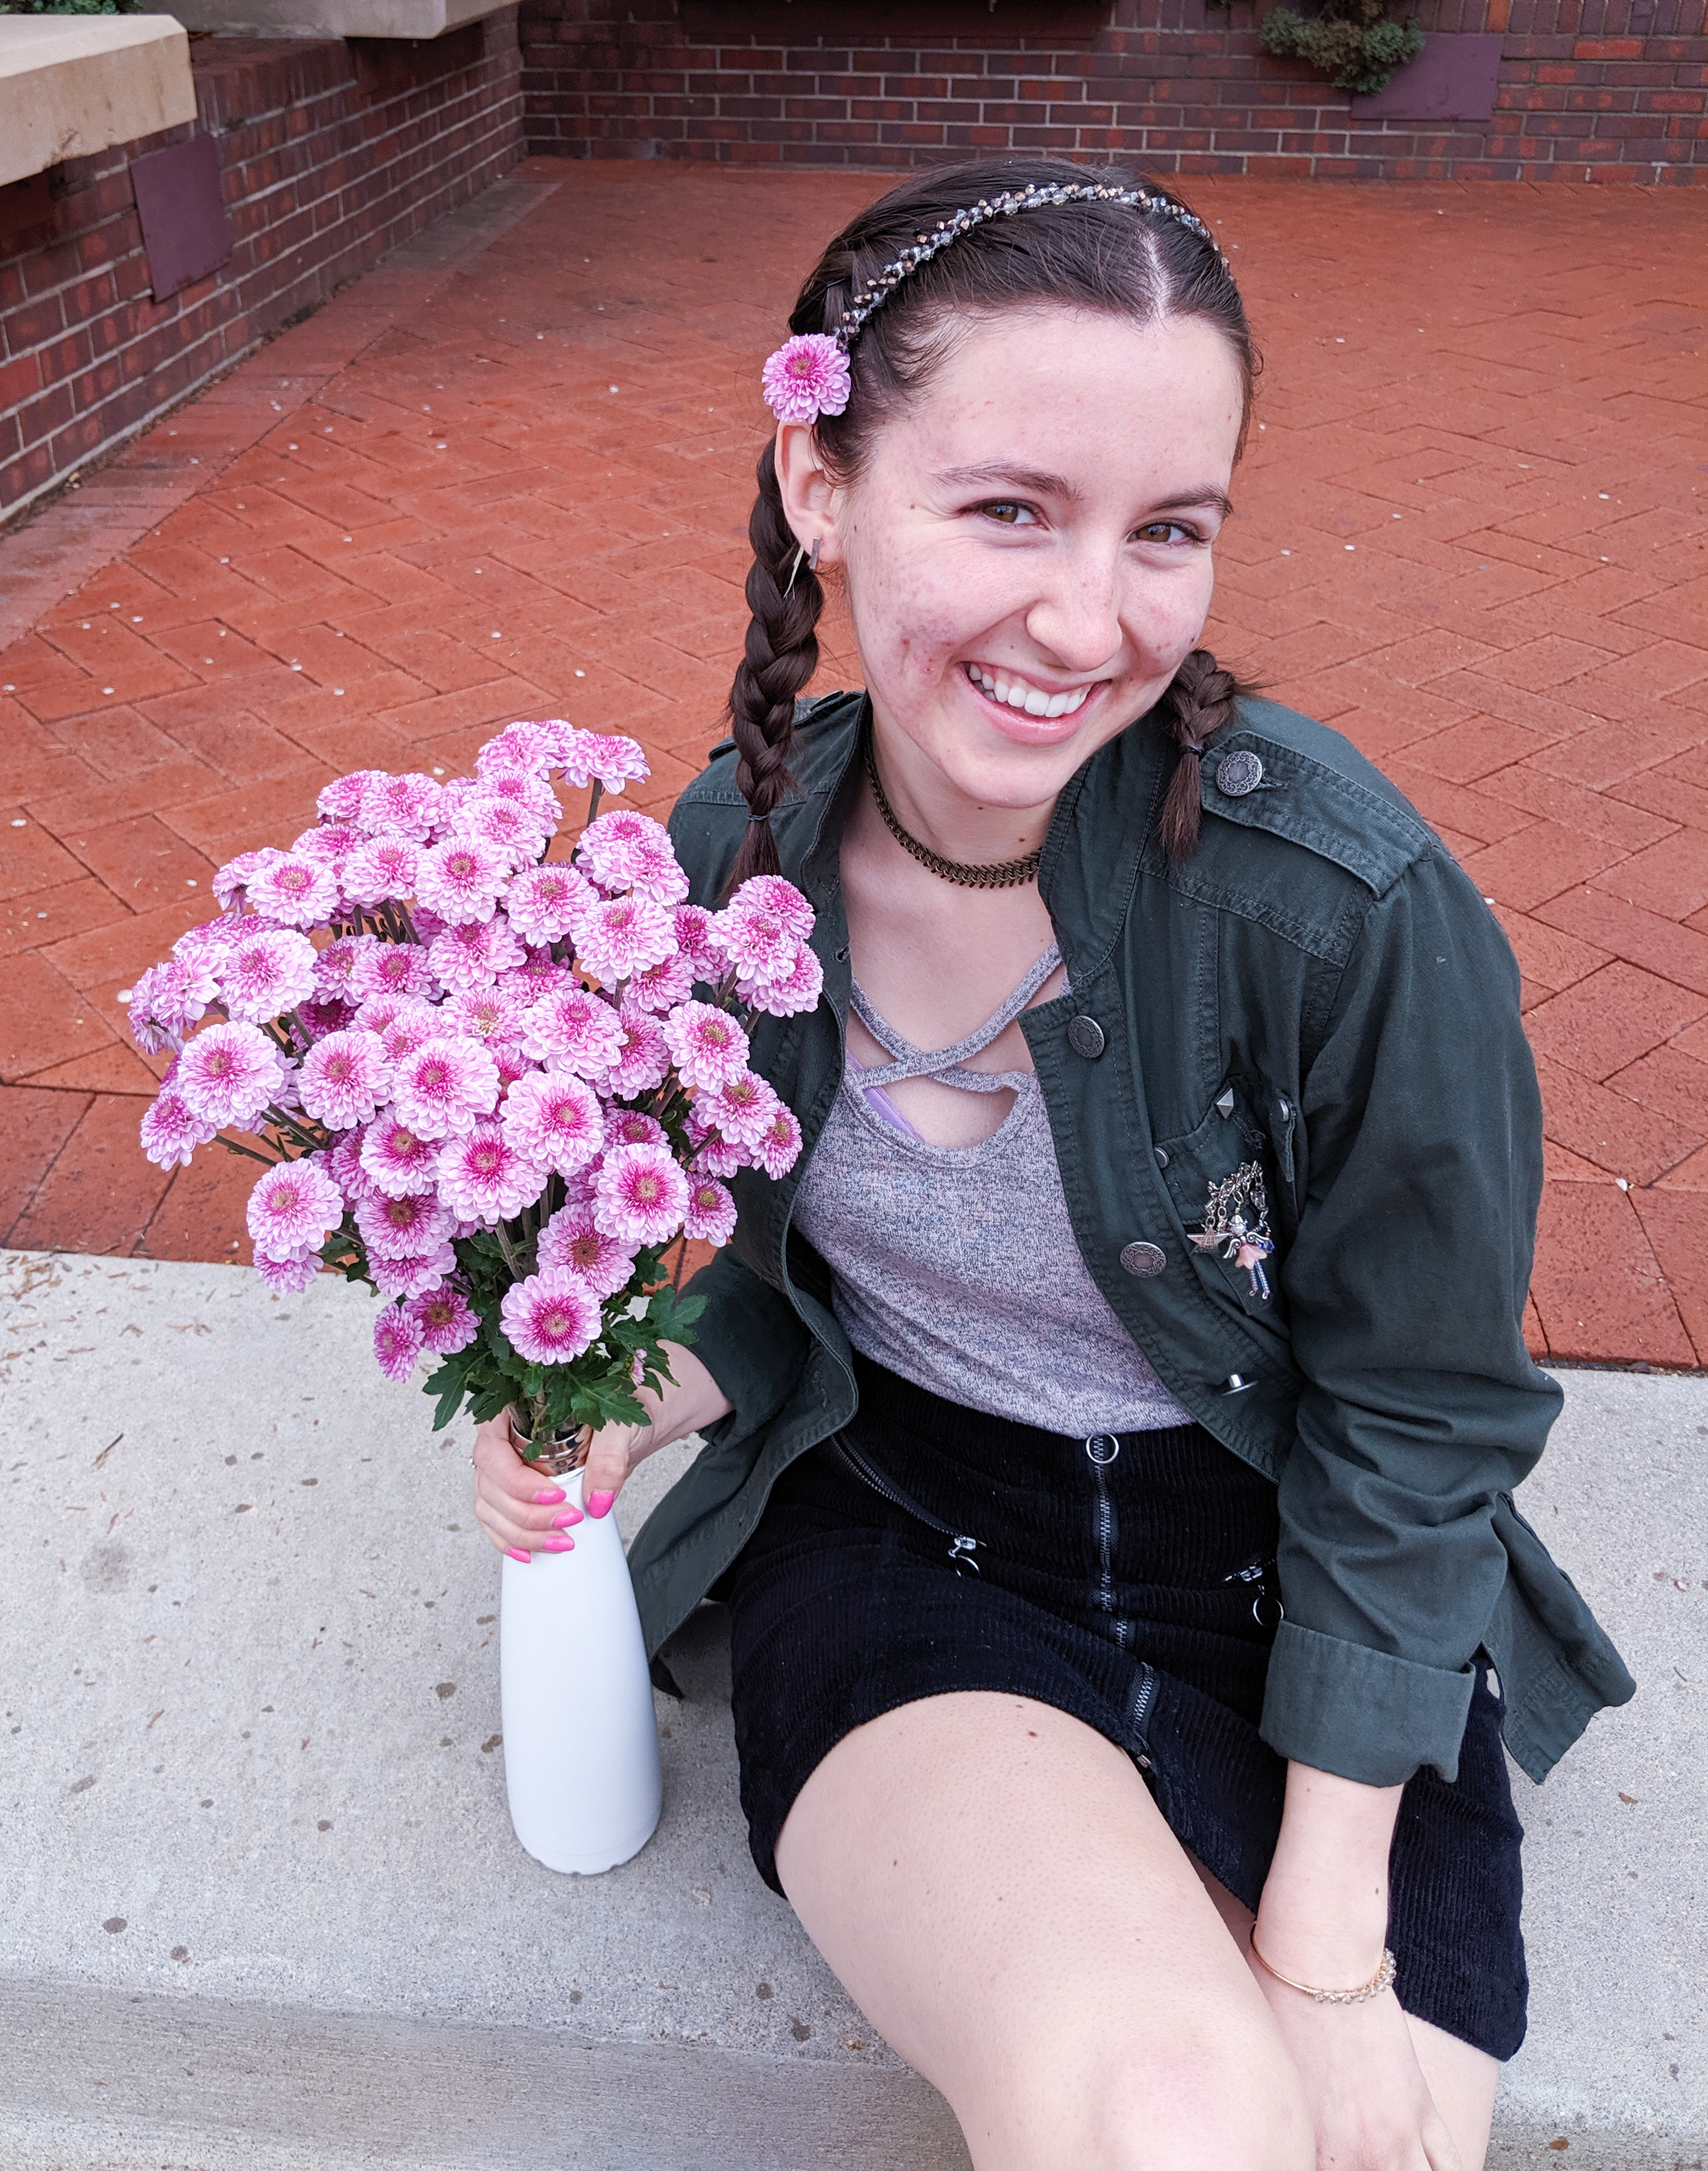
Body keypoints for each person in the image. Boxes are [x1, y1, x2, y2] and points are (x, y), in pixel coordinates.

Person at [472, 161, 1633, 2170]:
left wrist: (1327, 1943)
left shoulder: (1335, 907)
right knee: (1164, 2116)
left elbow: (1420, 1410)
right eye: (1008, 506)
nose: (1086, 621)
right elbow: (767, 1262)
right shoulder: (725, 865)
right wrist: (614, 1393)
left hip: (1295, 1568)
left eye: (1163, 531)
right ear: (820, 480)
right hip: (909, 1536)